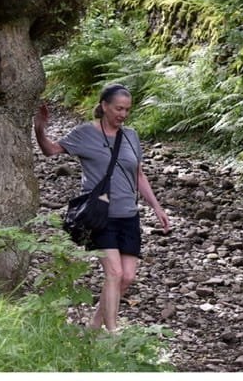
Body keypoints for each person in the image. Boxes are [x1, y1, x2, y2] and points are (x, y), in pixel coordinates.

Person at [34, 83, 170, 331]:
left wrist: (157, 208)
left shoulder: (131, 136)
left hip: (129, 215)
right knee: (114, 273)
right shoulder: (85, 133)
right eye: (118, 108)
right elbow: (50, 151)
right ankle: (113, 333)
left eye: (127, 110)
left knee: (127, 277)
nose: (123, 114)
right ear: (104, 106)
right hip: (100, 215)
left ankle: (93, 330)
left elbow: (139, 174)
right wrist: (40, 130)